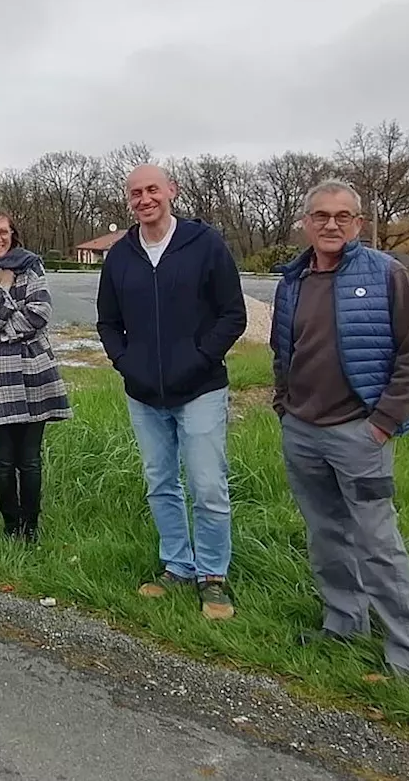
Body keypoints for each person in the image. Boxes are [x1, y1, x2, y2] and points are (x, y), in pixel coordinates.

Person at [271, 179, 409, 678]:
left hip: (359, 434)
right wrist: (284, 404)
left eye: (343, 217)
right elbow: (285, 351)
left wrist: (383, 423)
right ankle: (343, 623)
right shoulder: (293, 281)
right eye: (321, 216)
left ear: (359, 224)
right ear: (305, 223)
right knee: (326, 536)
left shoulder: (386, 275)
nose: (331, 225)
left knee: (378, 544)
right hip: (302, 431)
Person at [95, 164, 247, 620]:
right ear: (128, 201)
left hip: (200, 389)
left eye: (152, 190)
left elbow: (232, 314)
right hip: (143, 393)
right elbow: (107, 322)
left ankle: (213, 576)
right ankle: (177, 565)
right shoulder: (121, 256)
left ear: (171, 192)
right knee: (161, 483)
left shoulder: (205, 245)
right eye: (136, 193)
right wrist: (126, 363)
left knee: (206, 485)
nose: (145, 199)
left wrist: (199, 359)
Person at [0, 207, 72, 542]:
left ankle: (31, 529)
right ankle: (11, 527)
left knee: (31, 460)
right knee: (4, 461)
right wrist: (3, 291)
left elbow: (40, 313)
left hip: (32, 371)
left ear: (13, 235)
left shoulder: (31, 265)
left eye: (3, 232)